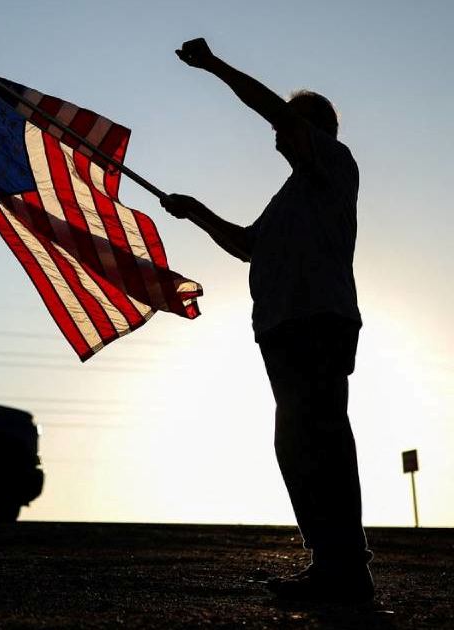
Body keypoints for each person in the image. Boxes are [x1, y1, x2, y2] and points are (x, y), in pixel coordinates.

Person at [161, 38, 373, 604]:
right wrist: (195, 211)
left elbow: (272, 110)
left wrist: (214, 66)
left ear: (316, 130)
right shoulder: (290, 195)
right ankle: (329, 562)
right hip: (282, 329)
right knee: (297, 445)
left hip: (317, 322)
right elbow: (247, 246)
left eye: (289, 123)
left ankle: (346, 569)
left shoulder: (335, 162)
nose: (277, 132)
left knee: (321, 437)